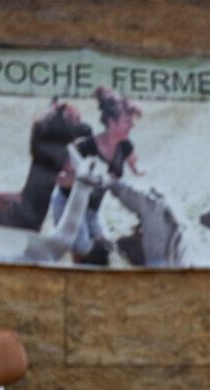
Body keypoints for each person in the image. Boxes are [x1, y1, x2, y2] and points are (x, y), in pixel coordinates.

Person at [47, 86, 145, 265]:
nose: (132, 125)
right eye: (128, 121)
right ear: (111, 122)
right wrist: (84, 181)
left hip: (92, 211)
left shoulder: (125, 146)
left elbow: (136, 168)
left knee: (105, 249)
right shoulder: (85, 148)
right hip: (70, 207)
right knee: (83, 247)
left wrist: (140, 177)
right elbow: (57, 178)